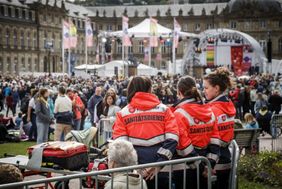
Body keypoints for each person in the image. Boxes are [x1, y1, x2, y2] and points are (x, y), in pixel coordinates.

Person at [113, 76, 178, 189]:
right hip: (162, 169)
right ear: (149, 89)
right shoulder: (164, 110)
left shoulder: (123, 113)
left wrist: (138, 167)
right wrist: (159, 163)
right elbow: (172, 139)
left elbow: (121, 145)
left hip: (135, 172)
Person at [171, 76, 220, 189]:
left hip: (185, 168)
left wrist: (200, 166)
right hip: (206, 167)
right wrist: (209, 165)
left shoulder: (179, 113)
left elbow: (183, 146)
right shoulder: (209, 111)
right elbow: (216, 142)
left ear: (179, 92)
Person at [203, 67, 236, 189]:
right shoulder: (229, 104)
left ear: (216, 88)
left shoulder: (211, 109)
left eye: (206, 88)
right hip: (226, 157)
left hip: (213, 160)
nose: (204, 91)